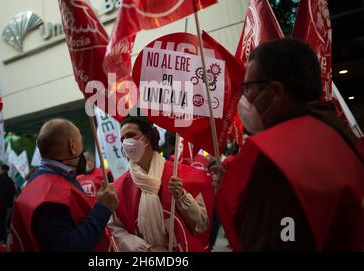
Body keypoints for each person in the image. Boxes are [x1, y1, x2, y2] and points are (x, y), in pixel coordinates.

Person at [216, 38, 364, 251]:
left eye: (248, 87)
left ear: (275, 92)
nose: (244, 97)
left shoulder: (273, 158)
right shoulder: (341, 136)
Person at [9, 118, 118, 252]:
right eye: (81, 142)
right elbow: (67, 247)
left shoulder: (38, 181)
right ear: (72, 145)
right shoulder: (51, 194)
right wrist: (102, 208)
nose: (82, 149)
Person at [109, 116, 214, 252]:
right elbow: (115, 229)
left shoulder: (184, 175)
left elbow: (201, 224)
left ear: (147, 137)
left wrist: (182, 197)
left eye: (130, 135)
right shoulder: (119, 188)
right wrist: (141, 249)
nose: (126, 142)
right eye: (122, 139)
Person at [0, 164, 18, 240]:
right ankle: (3, 240)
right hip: (7, 207)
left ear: (2, 169)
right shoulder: (10, 181)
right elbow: (13, 192)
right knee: (4, 224)